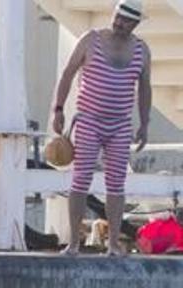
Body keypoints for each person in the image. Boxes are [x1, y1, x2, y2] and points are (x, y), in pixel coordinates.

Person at [51, 0, 151, 256]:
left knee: (116, 184)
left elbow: (145, 88)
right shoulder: (91, 39)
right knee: (80, 178)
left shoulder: (141, 50)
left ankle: (113, 243)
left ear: (136, 23)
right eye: (117, 17)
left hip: (120, 124)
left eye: (125, 20)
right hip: (88, 120)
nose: (118, 23)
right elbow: (68, 73)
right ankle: (74, 242)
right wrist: (58, 109)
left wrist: (145, 123)